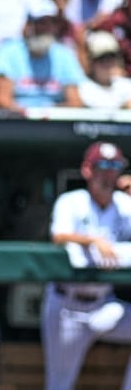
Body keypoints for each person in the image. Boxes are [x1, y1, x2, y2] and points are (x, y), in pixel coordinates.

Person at [42, 140, 131, 390]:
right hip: (67, 307)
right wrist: (92, 240)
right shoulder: (71, 201)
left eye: (115, 166)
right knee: (59, 385)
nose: (109, 173)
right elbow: (58, 236)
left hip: (104, 306)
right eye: (103, 166)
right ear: (87, 170)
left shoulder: (124, 205)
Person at [0, 0, 86, 112]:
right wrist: (30, 115)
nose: (45, 28)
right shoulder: (7, 53)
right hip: (17, 122)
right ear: (28, 25)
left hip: (53, 123)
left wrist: (47, 113)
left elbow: (75, 101)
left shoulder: (64, 55)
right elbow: (2, 100)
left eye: (51, 23)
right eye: (40, 22)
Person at [78, 30, 131, 109]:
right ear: (92, 62)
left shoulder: (126, 85)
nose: (107, 63)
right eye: (102, 59)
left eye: (111, 57)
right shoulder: (83, 89)